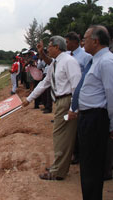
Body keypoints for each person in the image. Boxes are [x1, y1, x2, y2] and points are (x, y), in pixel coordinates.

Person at [22, 36, 81, 180]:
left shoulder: (69, 62)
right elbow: (45, 83)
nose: (48, 49)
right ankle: (59, 166)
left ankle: (58, 171)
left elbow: (77, 85)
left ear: (57, 47)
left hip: (67, 103)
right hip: (60, 103)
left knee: (62, 136)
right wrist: (29, 99)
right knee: (60, 135)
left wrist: (74, 107)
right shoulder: (55, 63)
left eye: (50, 46)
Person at [68, 25, 113, 200]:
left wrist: (111, 125)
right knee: (87, 165)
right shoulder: (95, 60)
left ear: (95, 41)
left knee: (93, 166)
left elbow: (111, 94)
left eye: (85, 39)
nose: (82, 42)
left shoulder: (107, 62)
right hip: (87, 118)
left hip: (96, 119)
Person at [65, 31, 92, 165]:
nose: (66, 44)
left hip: (81, 94)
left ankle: (80, 154)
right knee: (72, 125)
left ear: (75, 42)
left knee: (79, 125)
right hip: (69, 94)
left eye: (67, 42)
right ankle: (75, 152)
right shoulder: (66, 56)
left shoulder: (86, 57)